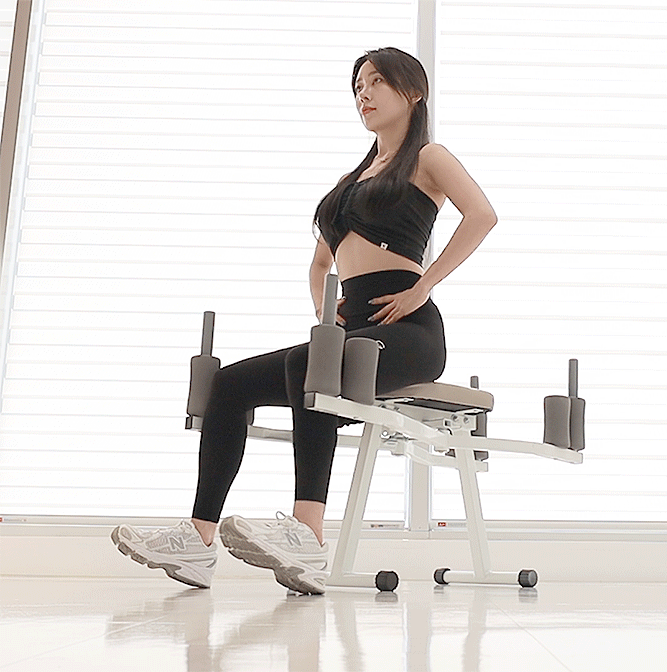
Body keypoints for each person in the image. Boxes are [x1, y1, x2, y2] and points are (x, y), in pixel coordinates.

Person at [112, 47, 497, 594]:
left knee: (306, 363)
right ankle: (198, 541)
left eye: (376, 82)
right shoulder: (352, 178)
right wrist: (325, 310)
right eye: (358, 86)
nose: (364, 94)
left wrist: (422, 287)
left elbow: (482, 215)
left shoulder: (428, 158)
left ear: (413, 92)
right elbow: (320, 263)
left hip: (409, 330)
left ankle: (308, 536)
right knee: (229, 384)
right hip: (352, 330)